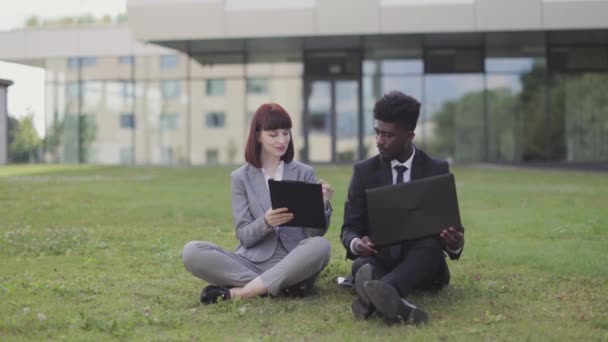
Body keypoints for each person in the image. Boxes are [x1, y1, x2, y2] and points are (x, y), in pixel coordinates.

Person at [182, 102, 334, 303]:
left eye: (286, 133)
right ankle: (281, 286)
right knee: (192, 251)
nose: (282, 140)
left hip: (293, 260)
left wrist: (321, 204)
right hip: (250, 263)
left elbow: (315, 233)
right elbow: (244, 235)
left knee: (321, 245)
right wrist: (266, 222)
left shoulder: (304, 172)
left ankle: (241, 293)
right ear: (258, 136)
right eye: (273, 134)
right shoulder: (240, 178)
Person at [340, 91, 465, 325]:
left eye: (388, 135)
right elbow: (349, 228)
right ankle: (392, 301)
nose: (379, 140)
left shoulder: (436, 169)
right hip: (380, 259)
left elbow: (453, 229)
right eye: (377, 132)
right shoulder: (364, 172)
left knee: (430, 245)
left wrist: (455, 243)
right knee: (362, 265)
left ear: (409, 136)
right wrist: (357, 243)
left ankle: (381, 290)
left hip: (424, 266)